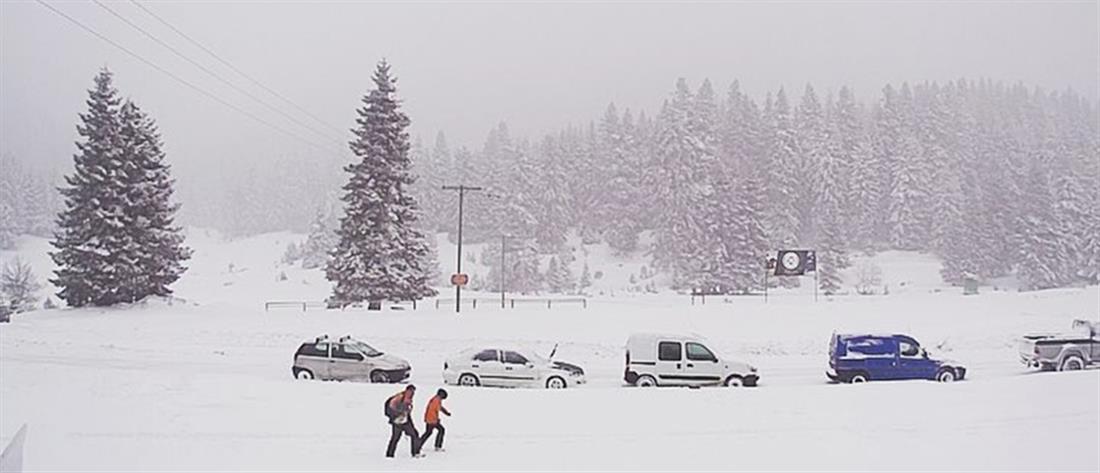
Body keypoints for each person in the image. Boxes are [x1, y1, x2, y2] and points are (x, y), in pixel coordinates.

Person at [385, 385, 423, 458]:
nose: (412, 393)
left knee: (411, 435)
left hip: (402, 420)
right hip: (399, 421)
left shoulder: (406, 397)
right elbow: (392, 407)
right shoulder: (399, 397)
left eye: (413, 392)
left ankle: (390, 454)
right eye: (411, 391)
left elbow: (407, 411)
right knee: (399, 437)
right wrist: (399, 414)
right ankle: (390, 454)